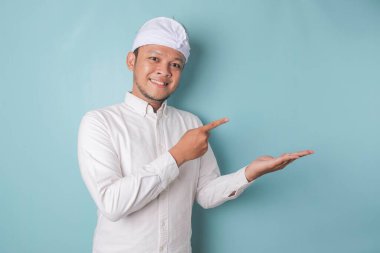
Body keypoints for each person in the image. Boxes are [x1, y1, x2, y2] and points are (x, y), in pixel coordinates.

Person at [77, 17, 314, 253]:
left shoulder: (190, 123)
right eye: (154, 58)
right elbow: (112, 204)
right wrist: (177, 155)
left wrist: (248, 174)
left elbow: (205, 194)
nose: (164, 71)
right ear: (131, 60)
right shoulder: (100, 122)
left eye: (176, 64)